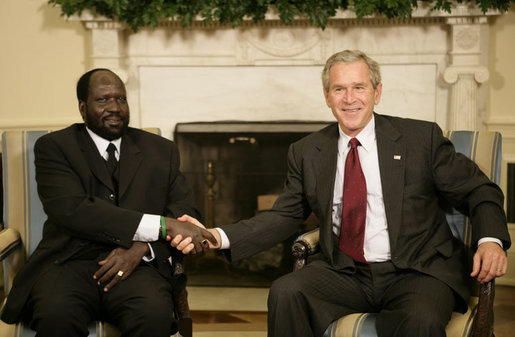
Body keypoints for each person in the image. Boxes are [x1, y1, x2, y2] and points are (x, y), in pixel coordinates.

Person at [174, 50, 511, 337]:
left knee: (419, 319)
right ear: (327, 96)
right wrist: (217, 236)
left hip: (417, 271)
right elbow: (284, 216)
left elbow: (479, 190)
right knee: (286, 292)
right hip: (346, 272)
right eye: (339, 89)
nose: (350, 99)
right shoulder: (307, 151)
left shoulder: (418, 139)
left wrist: (490, 240)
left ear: (377, 93)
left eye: (359, 87)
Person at [0, 68, 215, 337]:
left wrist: (141, 247)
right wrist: (162, 225)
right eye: (103, 100)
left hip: (139, 265)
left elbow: (184, 210)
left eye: (121, 99)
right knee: (56, 316)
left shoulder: (161, 149)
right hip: (68, 263)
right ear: (82, 107)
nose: (114, 107)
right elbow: (73, 210)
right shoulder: (54, 147)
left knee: (153, 316)